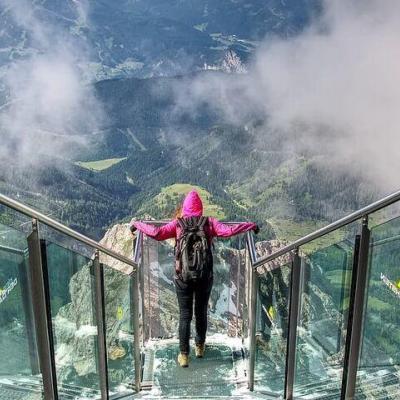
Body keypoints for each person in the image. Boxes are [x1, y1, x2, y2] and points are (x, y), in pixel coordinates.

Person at [129, 190, 259, 367]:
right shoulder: (209, 223)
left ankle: (183, 355)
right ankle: (199, 346)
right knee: (201, 312)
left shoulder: (178, 224)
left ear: (184, 209)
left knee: (185, 315)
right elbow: (228, 231)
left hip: (183, 277)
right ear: (200, 209)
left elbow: (157, 233)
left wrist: (137, 224)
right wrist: (249, 225)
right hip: (205, 276)